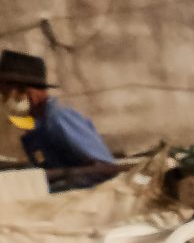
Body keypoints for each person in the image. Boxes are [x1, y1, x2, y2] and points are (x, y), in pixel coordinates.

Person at [0, 51, 119, 191]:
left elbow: (106, 168)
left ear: (25, 91)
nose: (5, 102)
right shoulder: (37, 128)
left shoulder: (59, 118)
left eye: (7, 95)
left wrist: (62, 186)